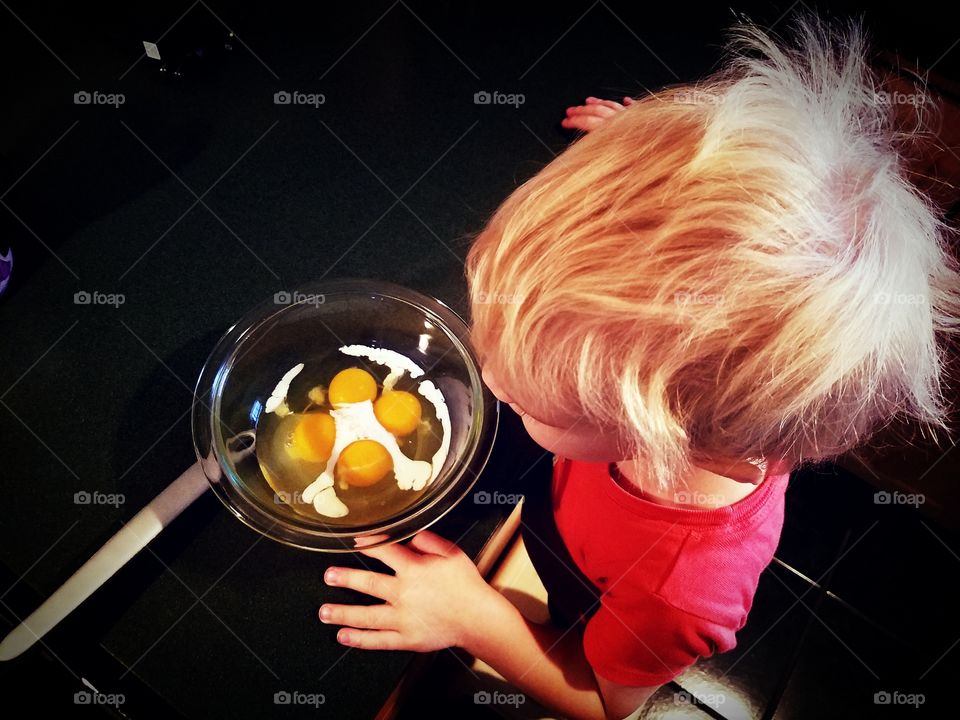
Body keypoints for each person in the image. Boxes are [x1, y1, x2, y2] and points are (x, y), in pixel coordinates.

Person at [315, 16, 960, 719]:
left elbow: (607, 702)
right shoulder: (703, 392)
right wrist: (644, 159)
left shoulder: (677, 586)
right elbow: (743, 208)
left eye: (536, 404)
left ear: (665, 438)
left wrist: (475, 619)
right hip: (575, 493)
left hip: (583, 571)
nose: (487, 376)